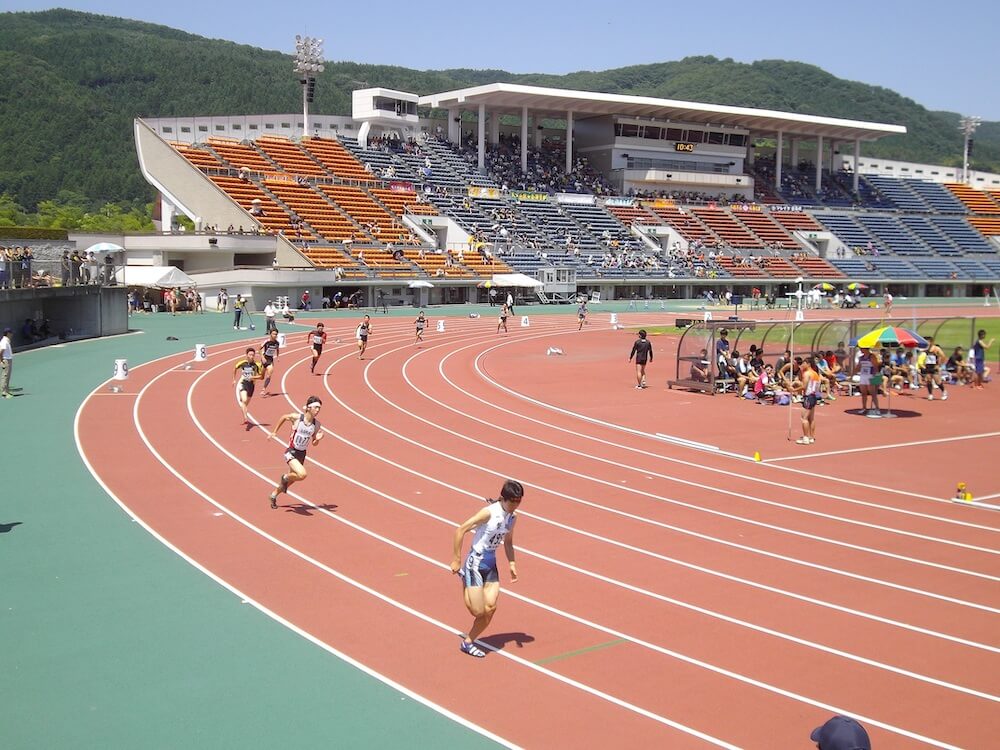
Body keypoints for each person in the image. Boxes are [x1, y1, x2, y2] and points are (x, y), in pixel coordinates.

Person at [450, 479, 524, 658]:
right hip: (475, 563)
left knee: (490, 608)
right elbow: (460, 530)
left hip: (491, 565)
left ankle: (468, 643)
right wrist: (456, 560)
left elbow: (508, 542)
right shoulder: (488, 514)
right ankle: (464, 577)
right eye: (513, 501)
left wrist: (512, 563)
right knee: (478, 611)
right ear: (504, 499)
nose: (516, 505)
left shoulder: (512, 518)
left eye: (519, 501)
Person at [268, 396, 324, 509]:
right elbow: (284, 417)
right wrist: (274, 432)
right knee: (302, 474)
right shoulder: (297, 418)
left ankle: (273, 495)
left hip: (302, 454)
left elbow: (314, 443)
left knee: (291, 481)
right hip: (291, 451)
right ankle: (284, 477)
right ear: (308, 408)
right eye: (316, 407)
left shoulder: (316, 425)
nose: (317, 410)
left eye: (319, 408)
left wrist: (317, 439)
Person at [232, 347, 263, 427]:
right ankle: (246, 419)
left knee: (245, 404)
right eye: (250, 355)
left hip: (251, 386)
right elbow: (235, 368)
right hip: (243, 383)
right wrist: (234, 380)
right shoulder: (242, 363)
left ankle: (243, 409)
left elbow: (261, 377)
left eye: (253, 355)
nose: (252, 356)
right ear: (247, 355)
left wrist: (252, 378)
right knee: (244, 400)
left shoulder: (257, 365)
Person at [797, 356, 822, 444]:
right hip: (814, 396)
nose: (802, 365)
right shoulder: (815, 374)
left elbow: (804, 386)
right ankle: (811, 437)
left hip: (808, 396)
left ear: (808, 364)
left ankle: (806, 437)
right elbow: (818, 386)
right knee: (811, 418)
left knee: (804, 418)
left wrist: (794, 390)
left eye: (804, 363)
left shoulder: (807, 374)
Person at [856, 347, 881, 417]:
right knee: (863, 393)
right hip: (863, 376)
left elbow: (876, 367)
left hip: (870, 376)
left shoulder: (872, 356)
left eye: (861, 348)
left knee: (873, 393)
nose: (860, 350)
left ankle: (877, 408)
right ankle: (864, 408)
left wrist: (876, 378)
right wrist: (853, 372)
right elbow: (858, 367)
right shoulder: (861, 358)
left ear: (866, 349)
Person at [922, 336, 948, 401]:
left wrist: (939, 365)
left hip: (934, 366)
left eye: (928, 342)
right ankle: (930, 394)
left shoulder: (936, 349)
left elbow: (943, 356)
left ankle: (944, 391)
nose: (927, 343)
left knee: (937, 381)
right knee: (928, 380)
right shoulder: (925, 349)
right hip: (927, 366)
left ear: (931, 342)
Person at [260, 329, 281, 395]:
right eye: (273, 334)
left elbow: (277, 350)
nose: (275, 335)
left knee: (269, 375)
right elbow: (259, 349)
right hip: (264, 359)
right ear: (270, 334)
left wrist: (277, 357)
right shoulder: (266, 342)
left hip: (270, 360)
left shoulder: (277, 343)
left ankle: (263, 389)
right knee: (262, 377)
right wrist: (262, 357)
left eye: (276, 334)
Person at [0, 327, 14, 398]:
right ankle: (4, 392)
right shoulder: (4, 341)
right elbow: (1, 351)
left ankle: (7, 390)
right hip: (6, 360)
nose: (12, 334)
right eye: (11, 333)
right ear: (8, 333)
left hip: (8, 359)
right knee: (5, 376)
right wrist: (1, 360)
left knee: (7, 376)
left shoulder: (7, 341)